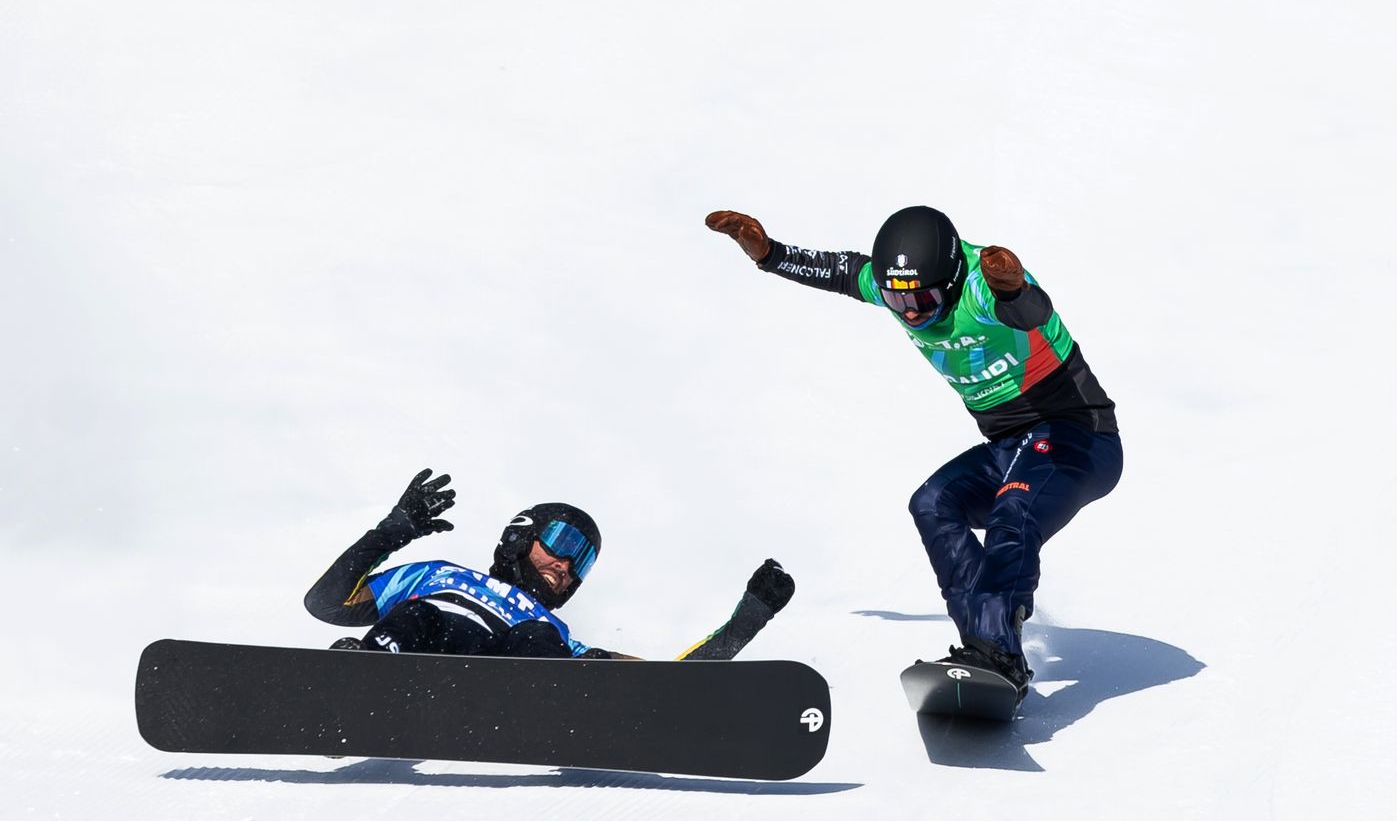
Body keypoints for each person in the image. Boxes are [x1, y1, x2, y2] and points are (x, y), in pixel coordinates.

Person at [705, 204, 1120, 699]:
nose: (913, 314)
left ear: (949, 278)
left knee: (1015, 510)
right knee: (933, 502)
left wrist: (1016, 289)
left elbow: (1028, 312)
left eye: (923, 299)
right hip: (1012, 447)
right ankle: (985, 650)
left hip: (1078, 436)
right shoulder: (902, 289)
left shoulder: (982, 284)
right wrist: (770, 254)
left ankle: (997, 648)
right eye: (896, 302)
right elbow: (839, 271)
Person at [305, 469, 793, 661]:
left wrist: (749, 617)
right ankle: (364, 671)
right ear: (520, 537)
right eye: (561, 543)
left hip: (508, 671)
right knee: (417, 614)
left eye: (580, 560)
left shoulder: (550, 626)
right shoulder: (436, 575)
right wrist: (396, 529)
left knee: (540, 639)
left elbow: (667, 686)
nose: (565, 565)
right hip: (421, 652)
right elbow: (326, 602)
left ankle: (552, 698)